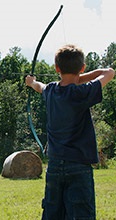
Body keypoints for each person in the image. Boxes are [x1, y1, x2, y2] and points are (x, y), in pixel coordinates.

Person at [25, 44, 115, 220]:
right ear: (82, 68)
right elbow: (109, 72)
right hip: (79, 166)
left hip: (55, 166)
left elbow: (38, 86)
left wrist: (30, 82)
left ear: (57, 68)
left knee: (53, 214)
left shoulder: (51, 90)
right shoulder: (82, 92)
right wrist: (80, 77)